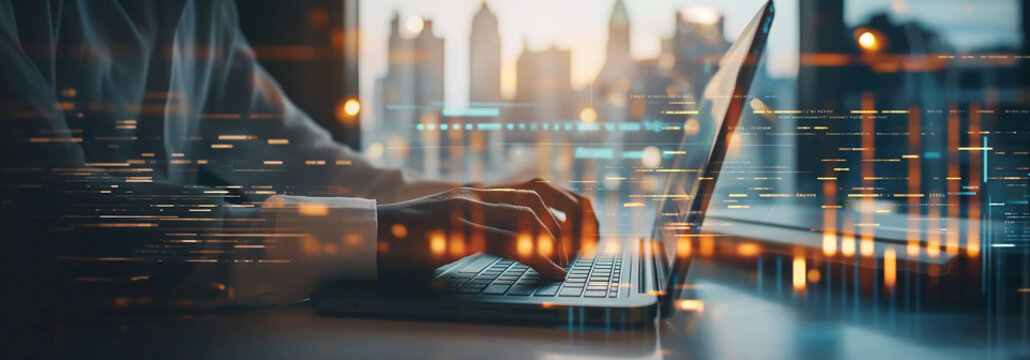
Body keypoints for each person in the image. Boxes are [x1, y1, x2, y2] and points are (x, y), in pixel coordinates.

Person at [0, 0, 598, 309]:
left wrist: (470, 206)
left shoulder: (204, 12)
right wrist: (374, 234)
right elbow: (52, 217)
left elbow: (308, 161)